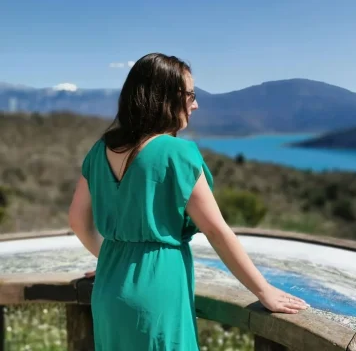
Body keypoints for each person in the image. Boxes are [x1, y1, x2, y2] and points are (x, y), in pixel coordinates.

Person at [68, 52, 308, 350]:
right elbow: (217, 231)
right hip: (156, 291)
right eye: (191, 94)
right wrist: (264, 290)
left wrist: (112, 259)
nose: (195, 104)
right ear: (166, 97)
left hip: (109, 289)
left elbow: (78, 221)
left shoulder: (100, 150)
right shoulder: (177, 154)